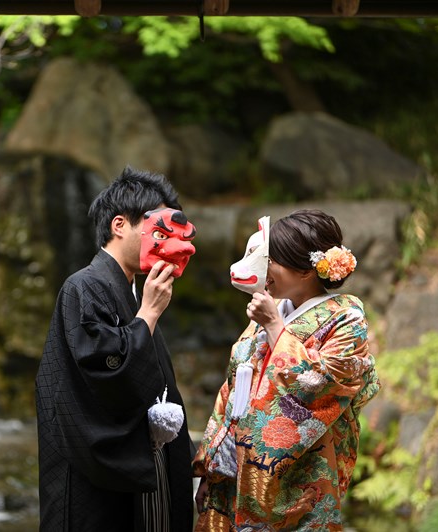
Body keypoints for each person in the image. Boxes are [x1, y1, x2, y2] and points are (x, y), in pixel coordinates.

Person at [192, 209, 380, 531]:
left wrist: (275, 327)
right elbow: (232, 388)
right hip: (234, 470)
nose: (264, 269)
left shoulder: (346, 318)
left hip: (299, 475)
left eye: (272, 261)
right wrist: (211, 466)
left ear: (305, 270)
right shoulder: (273, 309)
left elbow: (322, 384)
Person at [36, 166, 196, 532]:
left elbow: (160, 385)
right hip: (97, 474)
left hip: (145, 460)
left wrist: (183, 454)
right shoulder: (83, 287)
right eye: (158, 230)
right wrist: (148, 315)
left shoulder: (134, 291)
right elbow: (103, 371)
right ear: (119, 225)